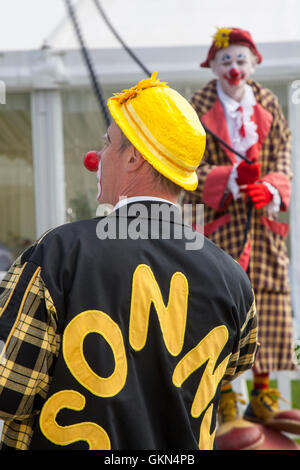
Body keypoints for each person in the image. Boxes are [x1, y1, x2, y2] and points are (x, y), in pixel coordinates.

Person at [0, 73, 258, 450]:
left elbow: (10, 391)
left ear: (134, 156)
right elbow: (234, 366)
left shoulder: (58, 252)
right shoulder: (234, 277)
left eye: (107, 144)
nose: (98, 158)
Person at [181, 27, 300, 450]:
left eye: (240, 60)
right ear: (213, 67)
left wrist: (269, 188)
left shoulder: (267, 103)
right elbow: (187, 166)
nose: (234, 68)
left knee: (266, 303)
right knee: (220, 305)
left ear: (253, 65)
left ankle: (263, 394)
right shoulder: (199, 106)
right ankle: (225, 394)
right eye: (225, 60)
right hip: (219, 227)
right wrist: (227, 179)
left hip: (264, 230)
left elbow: (283, 154)